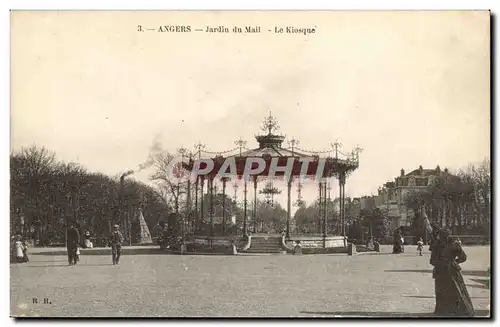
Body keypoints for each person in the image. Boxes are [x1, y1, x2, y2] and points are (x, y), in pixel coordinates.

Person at [430, 228, 474, 316]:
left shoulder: (437, 245)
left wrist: (443, 262)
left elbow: (432, 261)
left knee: (446, 290)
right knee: (453, 290)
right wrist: (454, 261)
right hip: (448, 270)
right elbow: (463, 257)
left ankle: (445, 310)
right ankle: (454, 310)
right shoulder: (452, 244)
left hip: (445, 271)